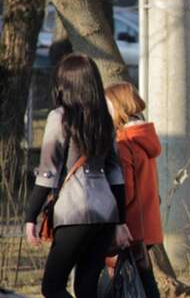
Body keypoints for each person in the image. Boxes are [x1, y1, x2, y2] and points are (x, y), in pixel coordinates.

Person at [24, 53, 132, 298]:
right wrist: (120, 220)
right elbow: (116, 174)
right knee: (87, 288)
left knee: (51, 287)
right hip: (106, 213)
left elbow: (47, 172)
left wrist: (31, 215)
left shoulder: (59, 117)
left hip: (73, 212)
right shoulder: (104, 119)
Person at [105, 81, 163, 298]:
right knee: (145, 279)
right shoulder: (145, 137)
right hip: (148, 223)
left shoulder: (123, 143)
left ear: (118, 106)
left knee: (129, 284)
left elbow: (126, 190)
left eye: (108, 104)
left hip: (130, 225)